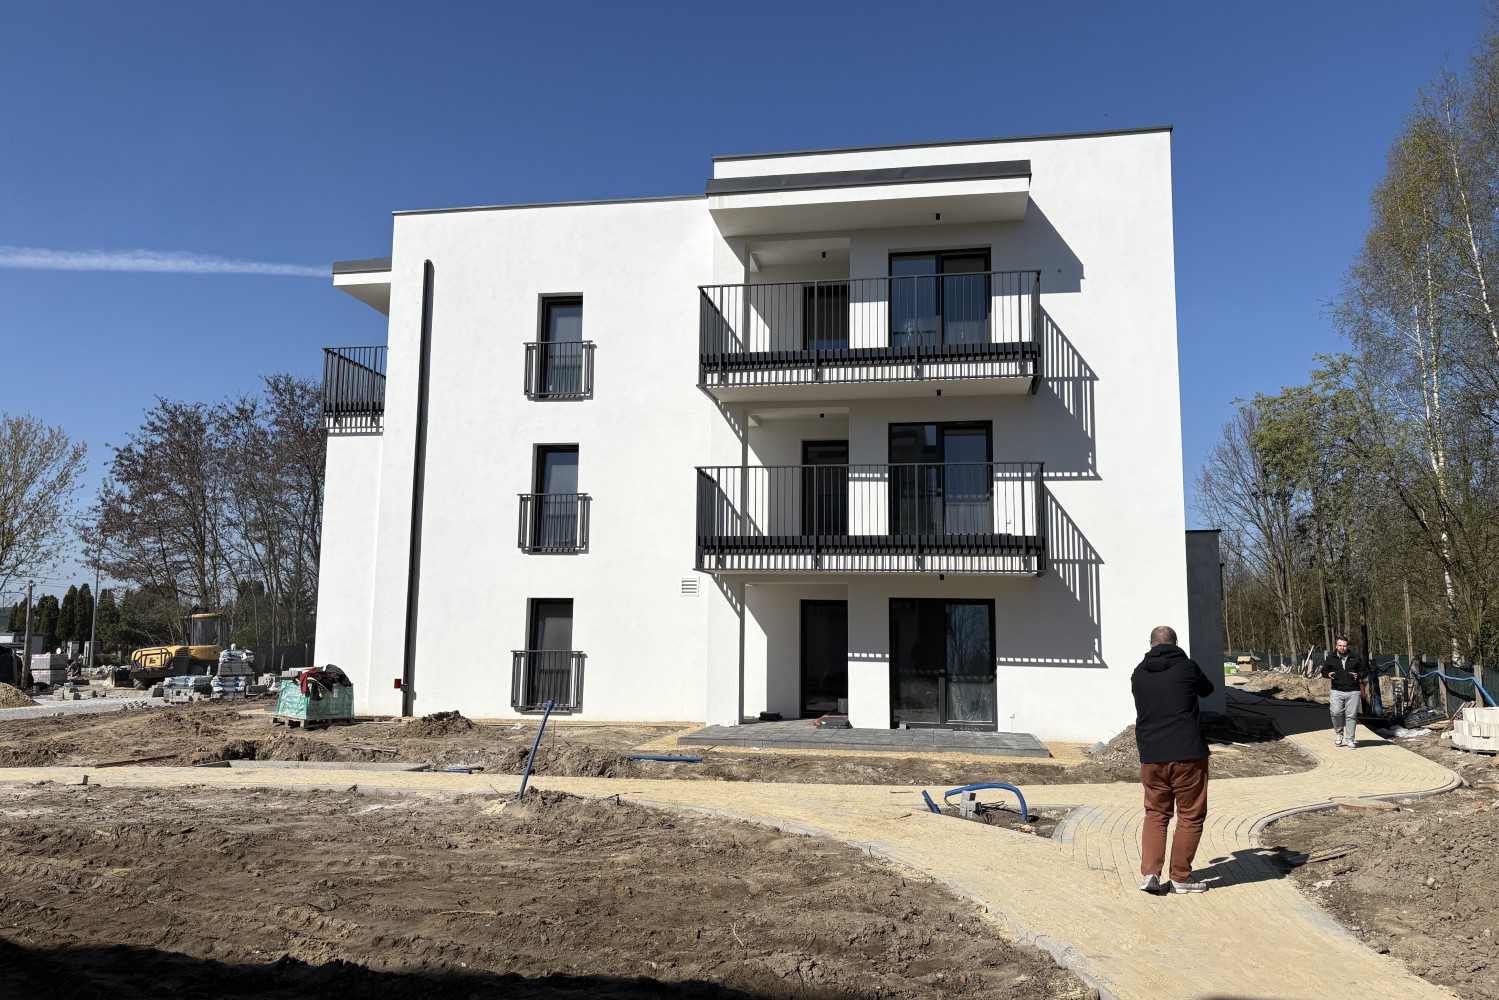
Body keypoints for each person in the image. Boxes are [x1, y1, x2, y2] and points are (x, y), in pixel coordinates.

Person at [1133, 625, 1214, 895]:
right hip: (1188, 754)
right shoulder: (1188, 668)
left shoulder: (1138, 673)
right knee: (1190, 815)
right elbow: (1208, 690)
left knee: (1156, 814)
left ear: (1150, 644)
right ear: (1176, 643)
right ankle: (1180, 878)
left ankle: (1150, 874)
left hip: (1151, 755)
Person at [1321, 636, 1367, 748]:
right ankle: (1338, 734)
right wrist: (1327, 674)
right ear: (1336, 646)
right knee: (1335, 713)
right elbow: (1324, 671)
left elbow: (1364, 671)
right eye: (1340, 645)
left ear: (1348, 646)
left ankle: (1350, 739)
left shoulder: (1355, 657)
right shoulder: (1330, 658)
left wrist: (1358, 675)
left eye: (1344, 646)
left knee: (1351, 716)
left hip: (1353, 691)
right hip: (1337, 690)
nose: (1342, 648)